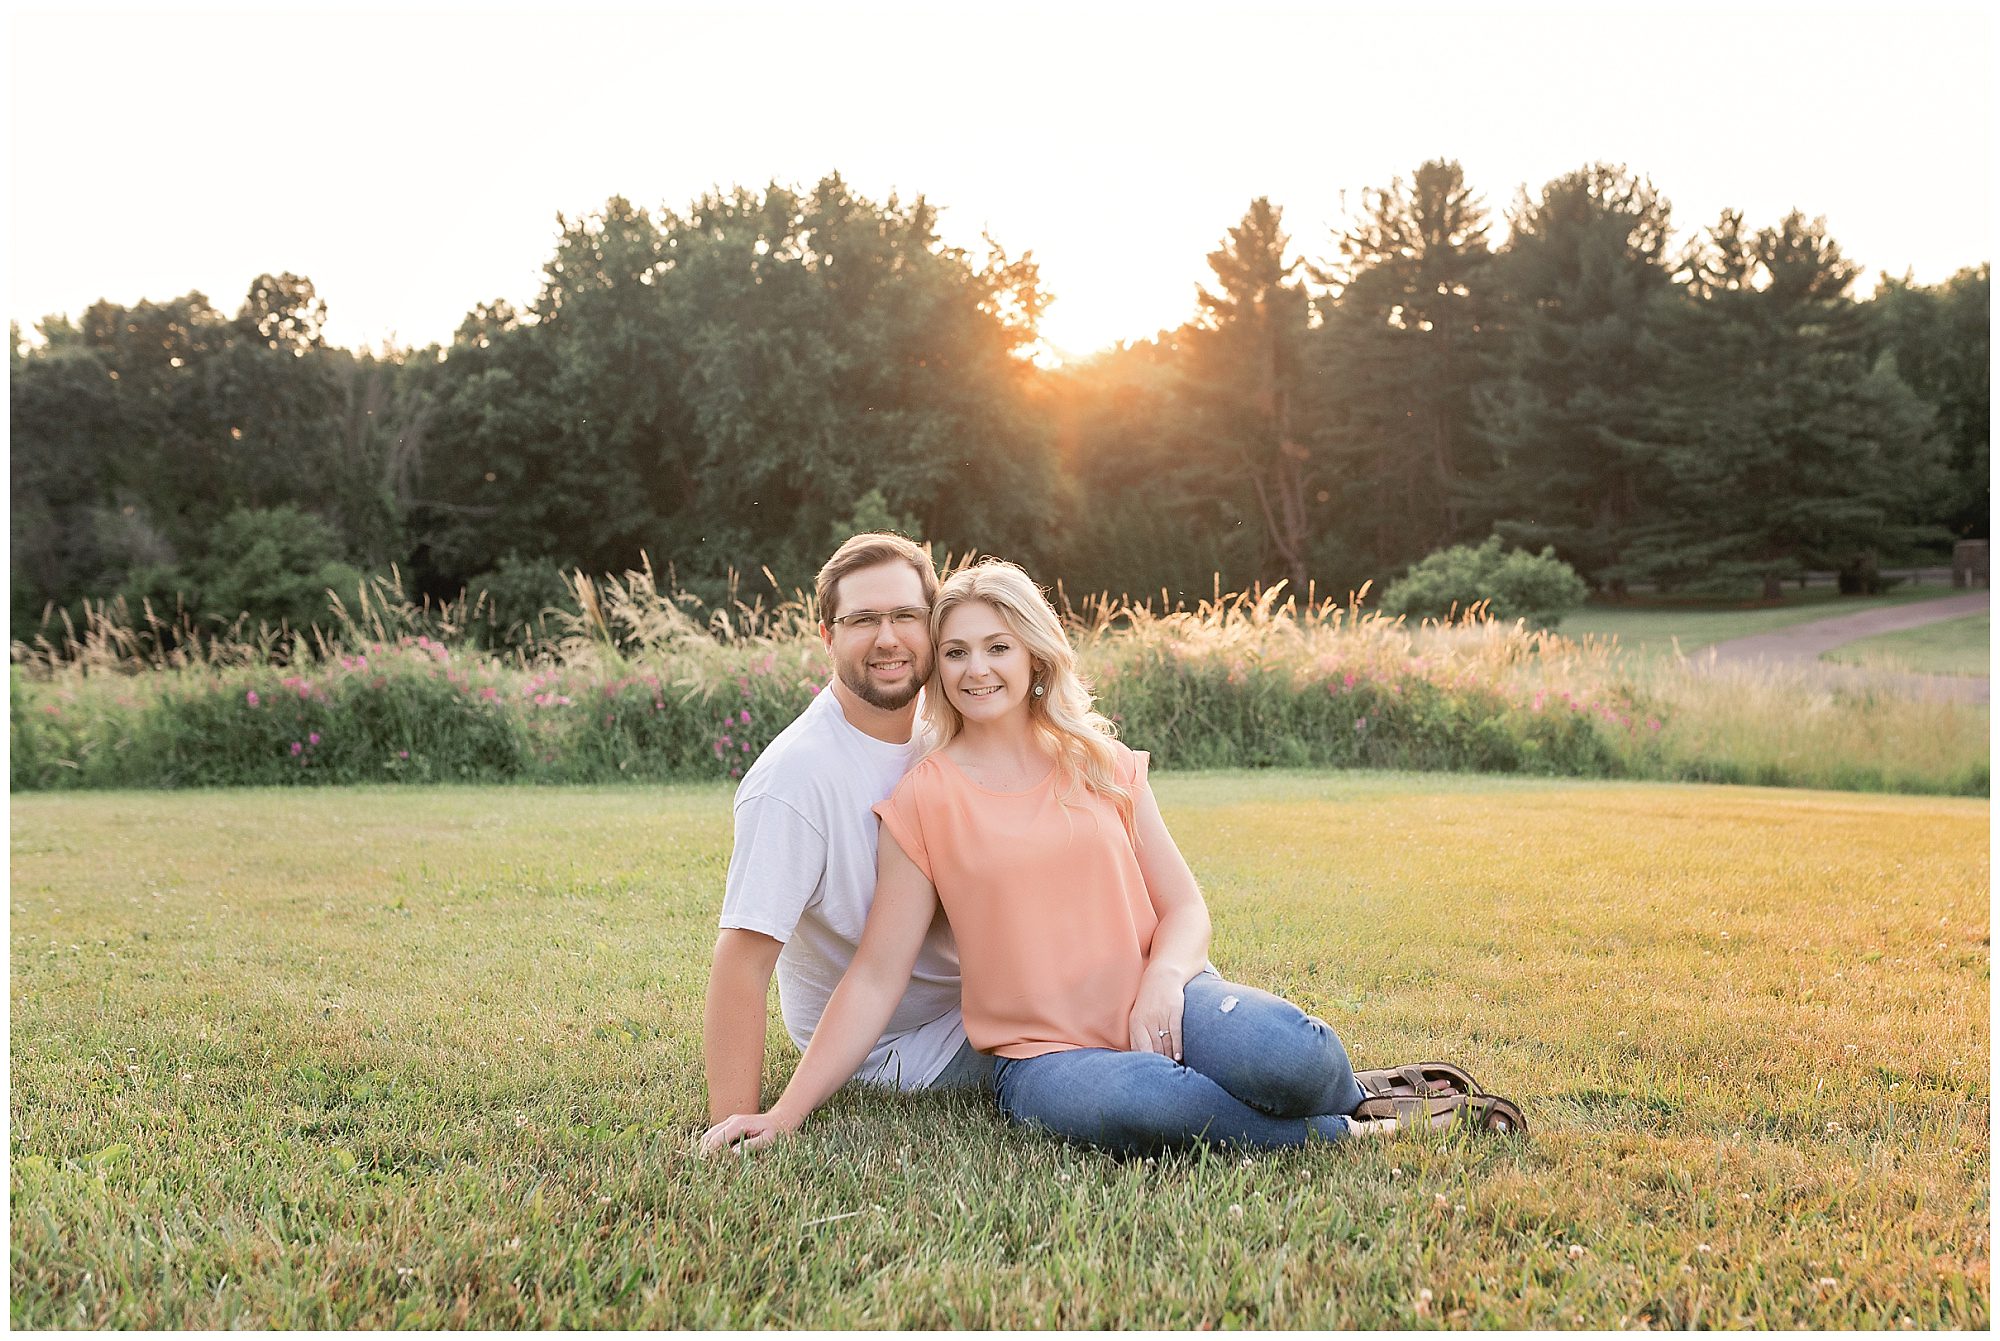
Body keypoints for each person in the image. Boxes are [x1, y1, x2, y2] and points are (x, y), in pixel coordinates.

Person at [702, 559, 1525, 1156]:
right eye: (955, 652)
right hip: (1040, 1055)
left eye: (996, 646)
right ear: (935, 668)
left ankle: (1358, 1093)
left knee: (1291, 1055)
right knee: (1152, 1108)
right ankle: (1346, 1133)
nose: (975, 668)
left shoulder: (1101, 760)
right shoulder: (921, 796)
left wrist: (1164, 984)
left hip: (1157, 995)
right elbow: (876, 974)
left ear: (1033, 656)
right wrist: (780, 1114)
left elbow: (1186, 907)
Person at [701, 533, 993, 1126]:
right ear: (828, 636)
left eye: (905, 616)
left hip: (980, 994)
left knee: (1144, 984)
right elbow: (742, 963)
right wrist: (735, 1122)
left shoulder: (951, 723)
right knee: (1100, 1030)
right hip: (897, 1042)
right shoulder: (795, 780)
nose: (888, 638)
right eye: (862, 620)